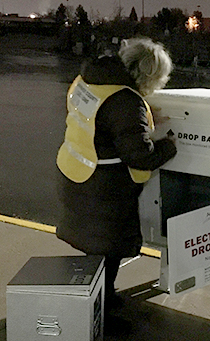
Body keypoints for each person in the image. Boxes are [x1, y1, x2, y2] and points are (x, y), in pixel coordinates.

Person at [55, 37, 177, 320]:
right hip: (105, 189)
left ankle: (96, 297)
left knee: (93, 246)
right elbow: (141, 157)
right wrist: (168, 145)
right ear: (149, 76)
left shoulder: (88, 81)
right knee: (107, 249)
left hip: (76, 174)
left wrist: (141, 119)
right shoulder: (126, 101)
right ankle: (101, 308)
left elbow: (100, 122)